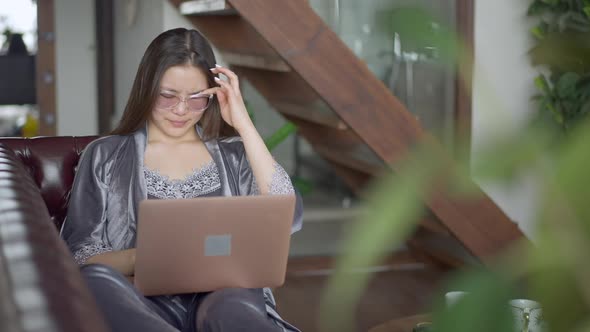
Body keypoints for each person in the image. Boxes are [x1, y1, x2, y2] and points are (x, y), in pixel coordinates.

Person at [60, 28, 302, 332]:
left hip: (225, 296)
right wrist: (147, 256)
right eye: (167, 96)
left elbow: (287, 214)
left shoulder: (236, 154)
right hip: (140, 299)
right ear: (147, 88)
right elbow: (80, 256)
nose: (181, 110)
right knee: (94, 282)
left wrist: (244, 126)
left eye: (197, 99)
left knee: (232, 304)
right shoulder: (105, 155)